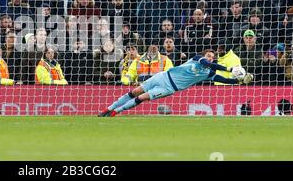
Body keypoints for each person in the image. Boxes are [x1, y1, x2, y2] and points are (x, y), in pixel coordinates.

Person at [99, 49, 254, 117]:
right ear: (204, 55)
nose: (209, 58)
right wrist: (229, 68)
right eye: (208, 55)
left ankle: (115, 112)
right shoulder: (197, 59)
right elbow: (210, 64)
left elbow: (224, 80)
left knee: (141, 98)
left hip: (168, 88)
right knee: (134, 92)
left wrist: (238, 81)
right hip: (162, 76)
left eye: (212, 57)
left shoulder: (209, 74)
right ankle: (109, 108)